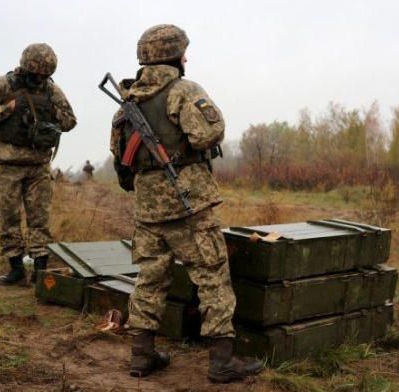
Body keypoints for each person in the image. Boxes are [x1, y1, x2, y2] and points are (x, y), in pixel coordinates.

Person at [109, 24, 262, 383]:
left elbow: (120, 159)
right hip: (187, 204)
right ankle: (222, 362)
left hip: (148, 208)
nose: (186, 58)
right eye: (184, 53)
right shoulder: (183, 91)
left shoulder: (128, 101)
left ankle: (142, 355)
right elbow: (209, 132)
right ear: (176, 55)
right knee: (212, 277)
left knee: (149, 279)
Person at [0, 43, 76, 286]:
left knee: (39, 219)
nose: (39, 79)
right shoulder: (1, 85)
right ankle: (16, 268)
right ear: (24, 67)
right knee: (8, 218)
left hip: (39, 166)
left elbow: (70, 121)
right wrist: (6, 110)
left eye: (44, 76)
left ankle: (40, 271)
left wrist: (51, 113)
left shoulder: (51, 91)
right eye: (35, 75)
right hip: (7, 165)